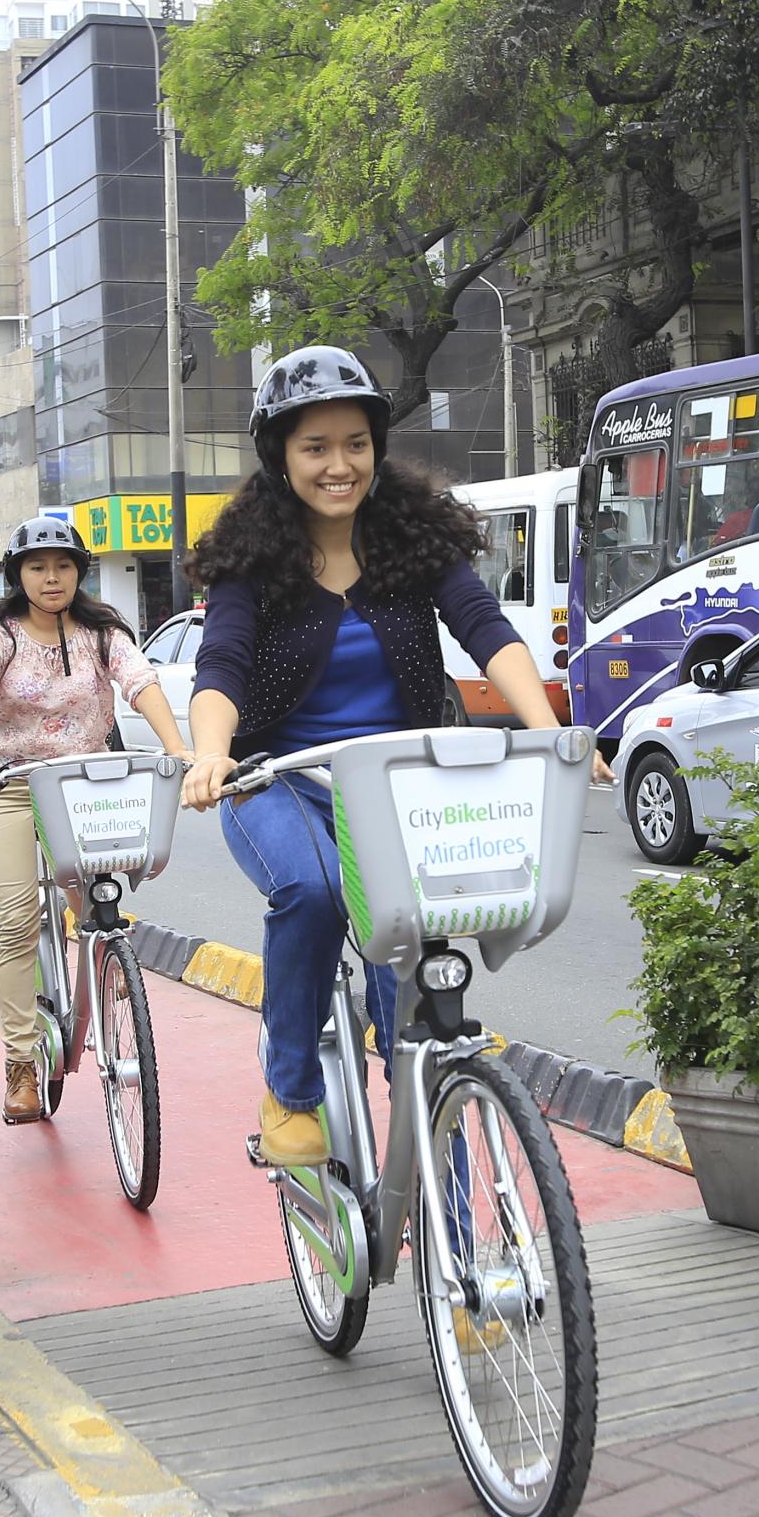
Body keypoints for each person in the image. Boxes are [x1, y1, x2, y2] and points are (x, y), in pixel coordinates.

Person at [180, 345, 601, 1170]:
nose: (339, 465)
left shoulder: (414, 537)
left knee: (415, 1007)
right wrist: (211, 754)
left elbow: (485, 628)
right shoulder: (248, 558)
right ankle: (290, 1091)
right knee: (312, 893)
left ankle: (443, 1206)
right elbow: (221, 664)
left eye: (356, 443)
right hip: (281, 782)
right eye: (315, 447)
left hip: (399, 792)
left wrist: (551, 728)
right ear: (280, 455)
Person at [0, 518, 189, 1123]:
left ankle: (105, 965)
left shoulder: (102, 631)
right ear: (19, 575)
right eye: (37, 567)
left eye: (62, 566)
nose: (51, 578)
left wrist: (177, 747)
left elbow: (140, 682)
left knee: (99, 900)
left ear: (80, 571)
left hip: (83, 785)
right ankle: (20, 1062)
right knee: (17, 919)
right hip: (9, 783)